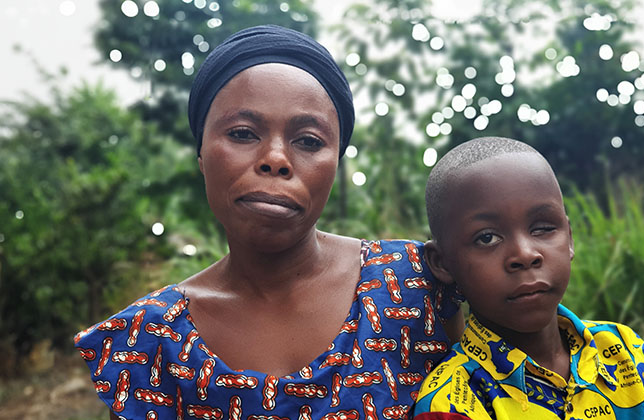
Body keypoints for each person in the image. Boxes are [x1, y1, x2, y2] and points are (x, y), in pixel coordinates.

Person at [74, 25, 464, 420]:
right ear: (202, 158)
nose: (275, 158)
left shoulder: (412, 287)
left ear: (335, 166)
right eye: (243, 133)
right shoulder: (148, 344)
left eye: (309, 140)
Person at [412, 137, 644, 420]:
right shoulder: (452, 404)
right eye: (487, 238)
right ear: (442, 263)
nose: (525, 254)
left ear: (569, 239)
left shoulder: (624, 352)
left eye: (542, 228)